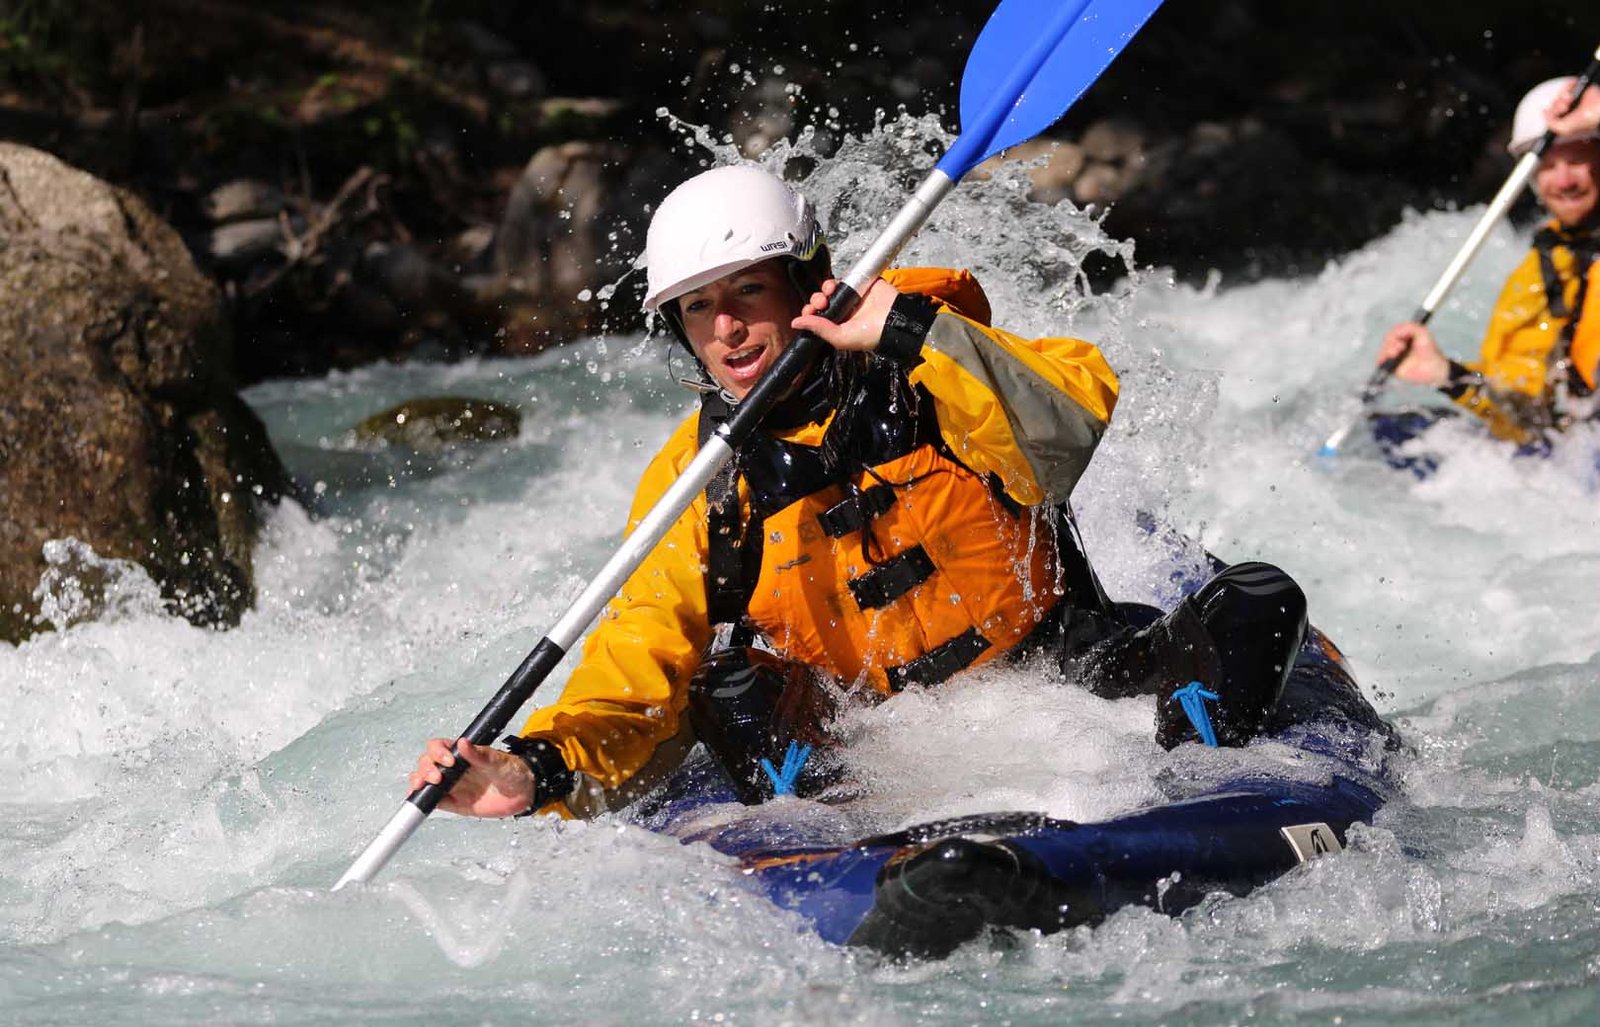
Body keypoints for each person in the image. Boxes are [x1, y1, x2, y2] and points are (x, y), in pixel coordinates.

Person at [411, 165, 1346, 823]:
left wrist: (903, 331)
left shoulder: (935, 360)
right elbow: (635, 674)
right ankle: (827, 821)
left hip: (1071, 678)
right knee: (727, 691)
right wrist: (538, 765)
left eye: (748, 290)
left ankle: (1197, 777)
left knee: (1260, 602)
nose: (728, 329)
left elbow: (1060, 430)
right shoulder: (698, 483)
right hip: (870, 743)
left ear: (806, 281)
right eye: (699, 307)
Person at [1375, 76, 1600, 445]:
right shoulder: (1540, 273)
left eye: (1577, 161)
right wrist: (1446, 374)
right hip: (1586, 449)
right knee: (1400, 434)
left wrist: (1595, 117)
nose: (1563, 181)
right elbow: (1529, 418)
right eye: (1548, 166)